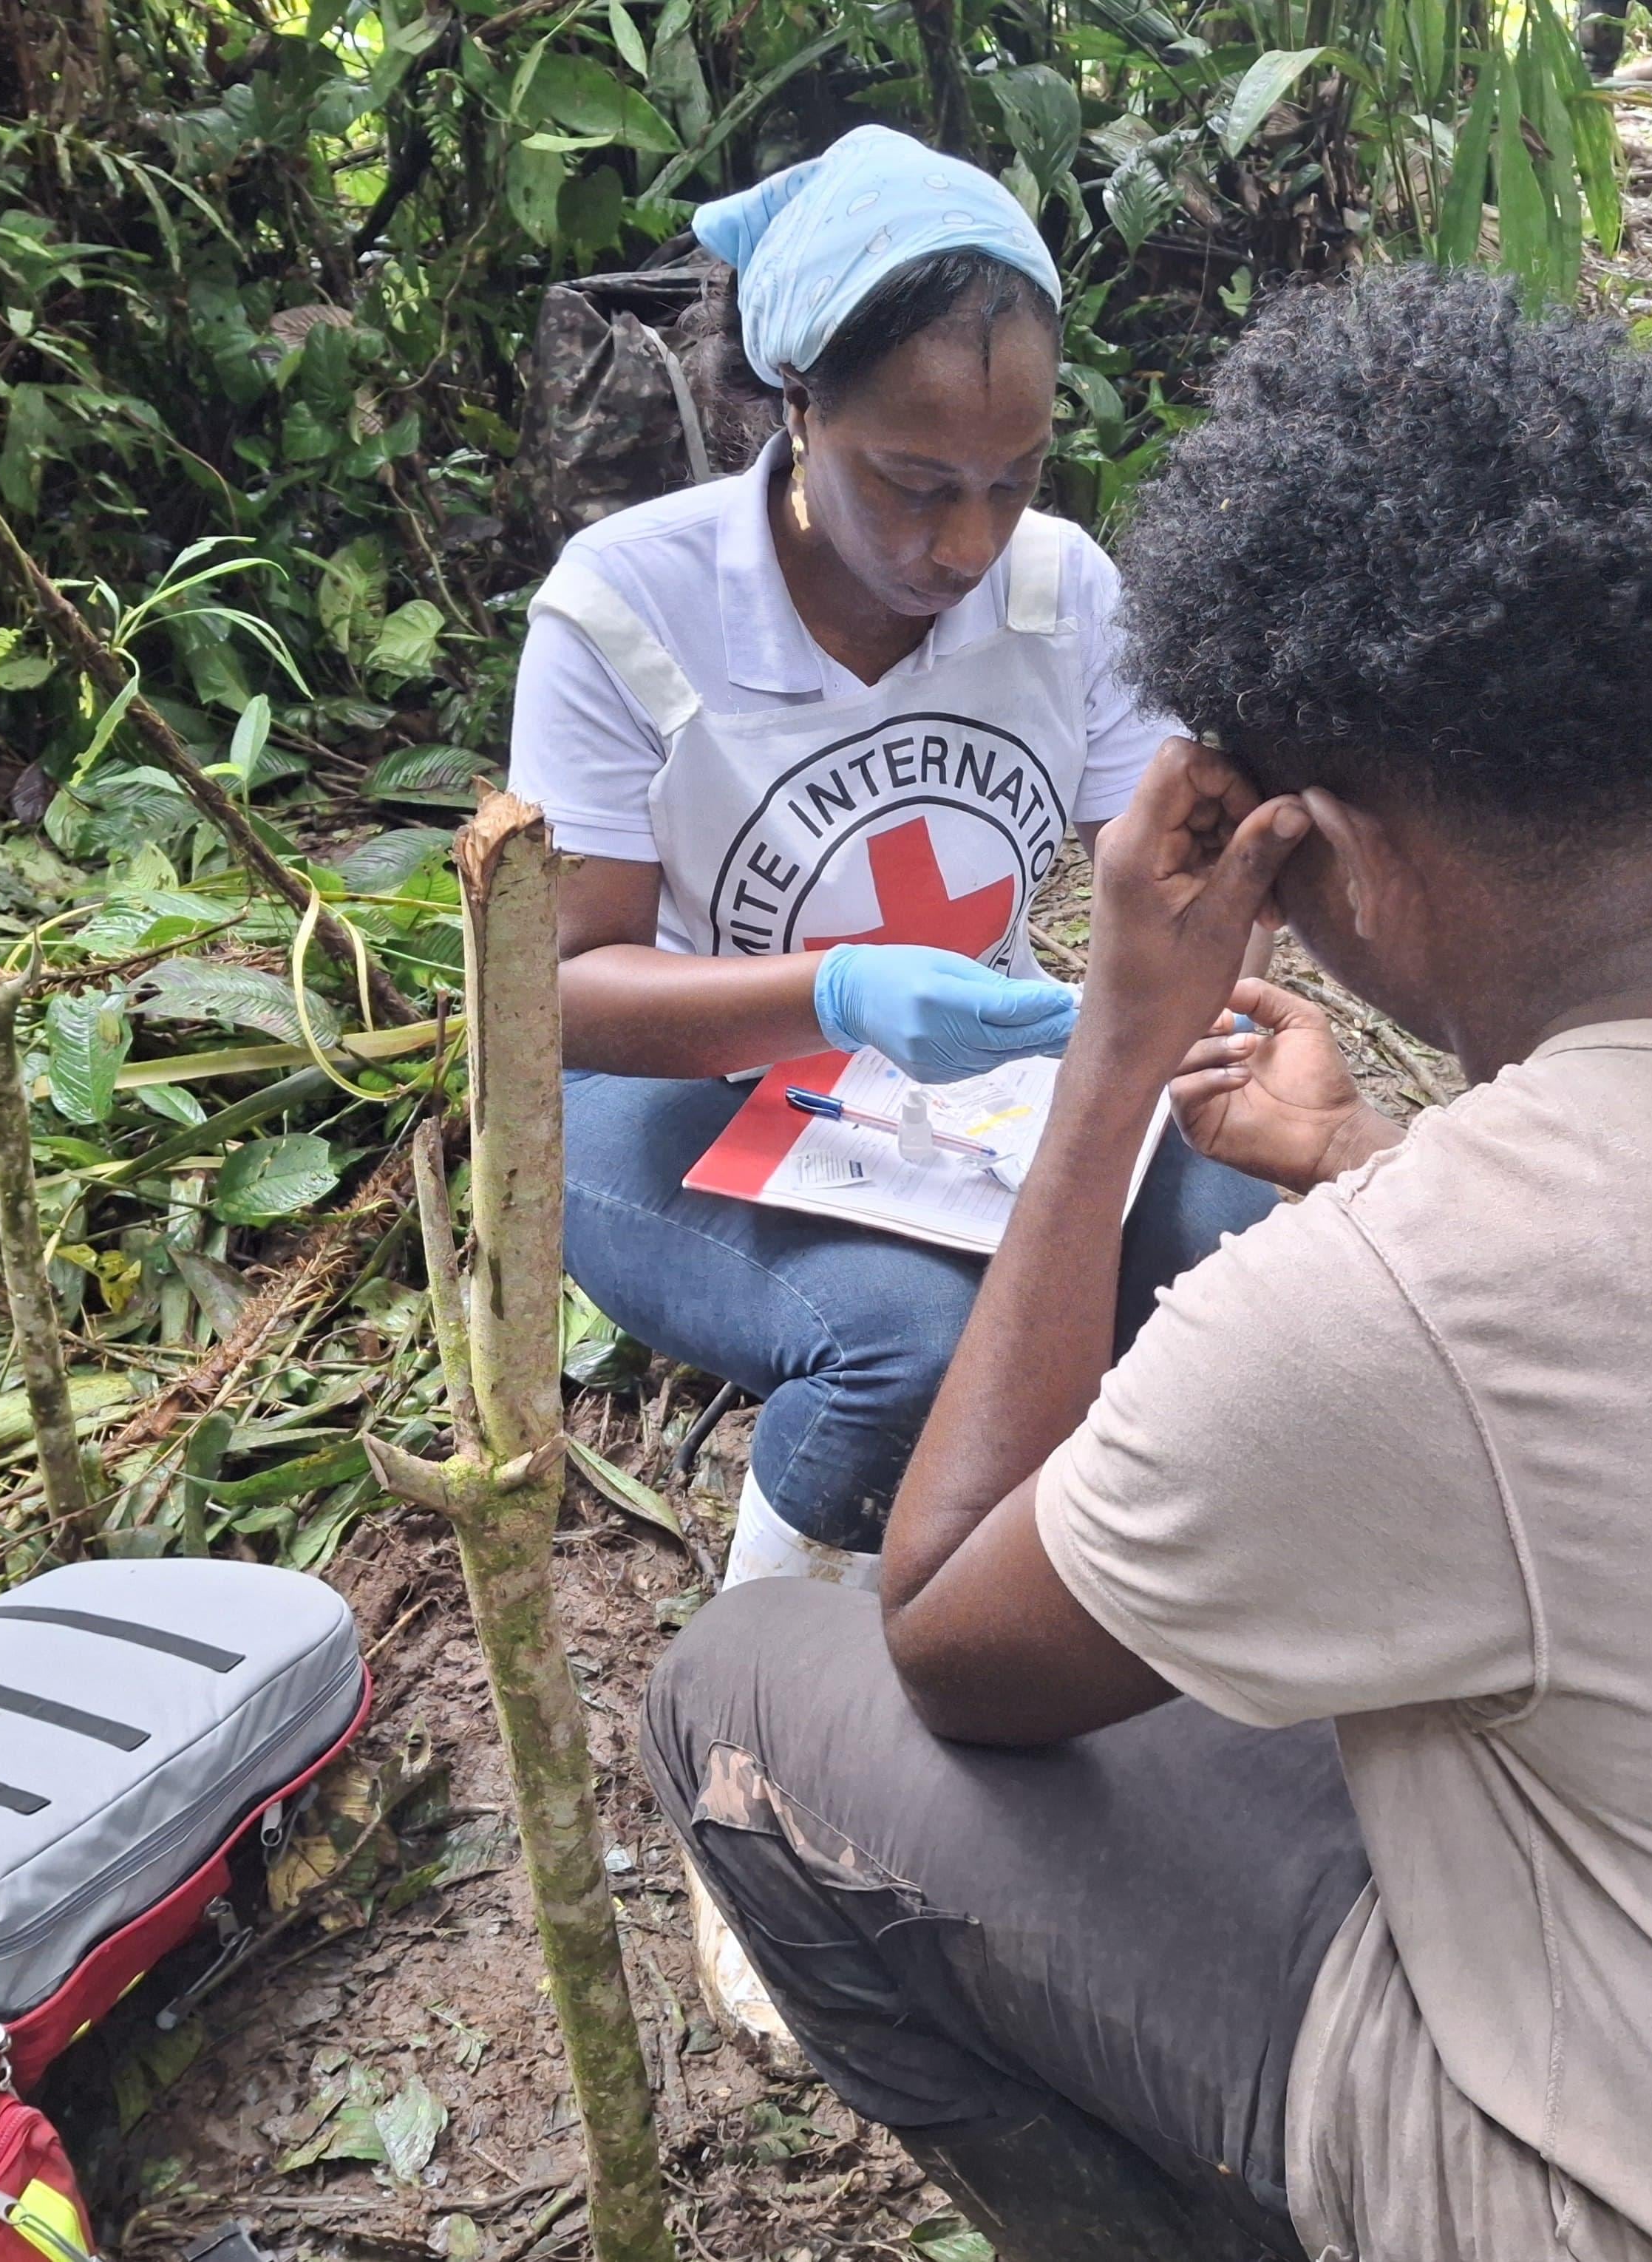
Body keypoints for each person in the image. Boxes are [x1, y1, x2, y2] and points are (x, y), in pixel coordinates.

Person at [641, 268, 1652, 2262]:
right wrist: (1366, 1153)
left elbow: (946, 1634)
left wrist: (1122, 1040)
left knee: (745, 1693)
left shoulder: (1406, 1298)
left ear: (1338, 858)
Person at [505, 126, 1275, 1592]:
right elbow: (563, 1000)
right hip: (679, 1091)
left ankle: (1093, 1608)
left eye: (1015, 476)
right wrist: (837, 996)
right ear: (797, 407)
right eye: (915, 483)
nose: (970, 542)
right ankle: (761, 1694)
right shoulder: (627, 607)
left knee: (1244, 1246)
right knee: (906, 1345)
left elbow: (1164, 878)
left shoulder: (1064, 593)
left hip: (970, 1095)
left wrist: (1183, 950)